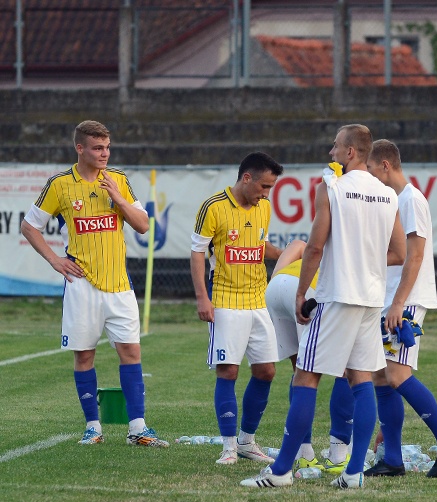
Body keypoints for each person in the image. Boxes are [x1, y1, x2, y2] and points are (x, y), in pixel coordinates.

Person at [241, 124, 406, 489]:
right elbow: (399, 253)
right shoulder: (387, 194)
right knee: (361, 379)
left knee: (305, 376)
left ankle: (282, 471)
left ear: (350, 152)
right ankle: (353, 472)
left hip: (335, 297)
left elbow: (313, 248)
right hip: (370, 299)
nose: (331, 152)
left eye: (335, 146)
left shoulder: (331, 188)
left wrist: (301, 294)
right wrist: (363, 259)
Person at [20, 120, 168, 447]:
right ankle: (93, 426)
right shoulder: (59, 185)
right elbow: (30, 226)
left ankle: (138, 427)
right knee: (84, 355)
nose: (105, 153)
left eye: (107, 147)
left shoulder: (118, 180)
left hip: (119, 284)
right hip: (81, 285)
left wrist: (119, 198)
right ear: (80, 149)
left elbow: (144, 226)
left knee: (131, 351)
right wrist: (55, 260)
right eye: (98, 148)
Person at [361, 139, 437, 479]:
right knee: (381, 375)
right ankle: (392, 458)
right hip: (390, 298)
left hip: (404, 301)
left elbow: (415, 254)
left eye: (372, 170)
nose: (371, 177)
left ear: (386, 166)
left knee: (396, 375)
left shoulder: (411, 199)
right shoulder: (395, 200)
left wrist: (398, 303)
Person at [190, 152, 284, 466]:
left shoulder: (264, 208)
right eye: (264, 186)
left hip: (258, 300)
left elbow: (261, 246)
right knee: (228, 370)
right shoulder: (213, 206)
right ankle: (229, 446)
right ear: (246, 178)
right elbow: (198, 253)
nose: (266, 194)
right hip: (226, 300)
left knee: (266, 371)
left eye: (270, 188)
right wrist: (203, 297)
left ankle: (247, 442)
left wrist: (292, 256)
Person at [266, 240, 355, 474]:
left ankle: (303, 454)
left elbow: (295, 244)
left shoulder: (307, 247)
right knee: (347, 371)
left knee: (300, 372)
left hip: (275, 290)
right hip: (310, 295)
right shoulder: (346, 252)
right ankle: (338, 456)